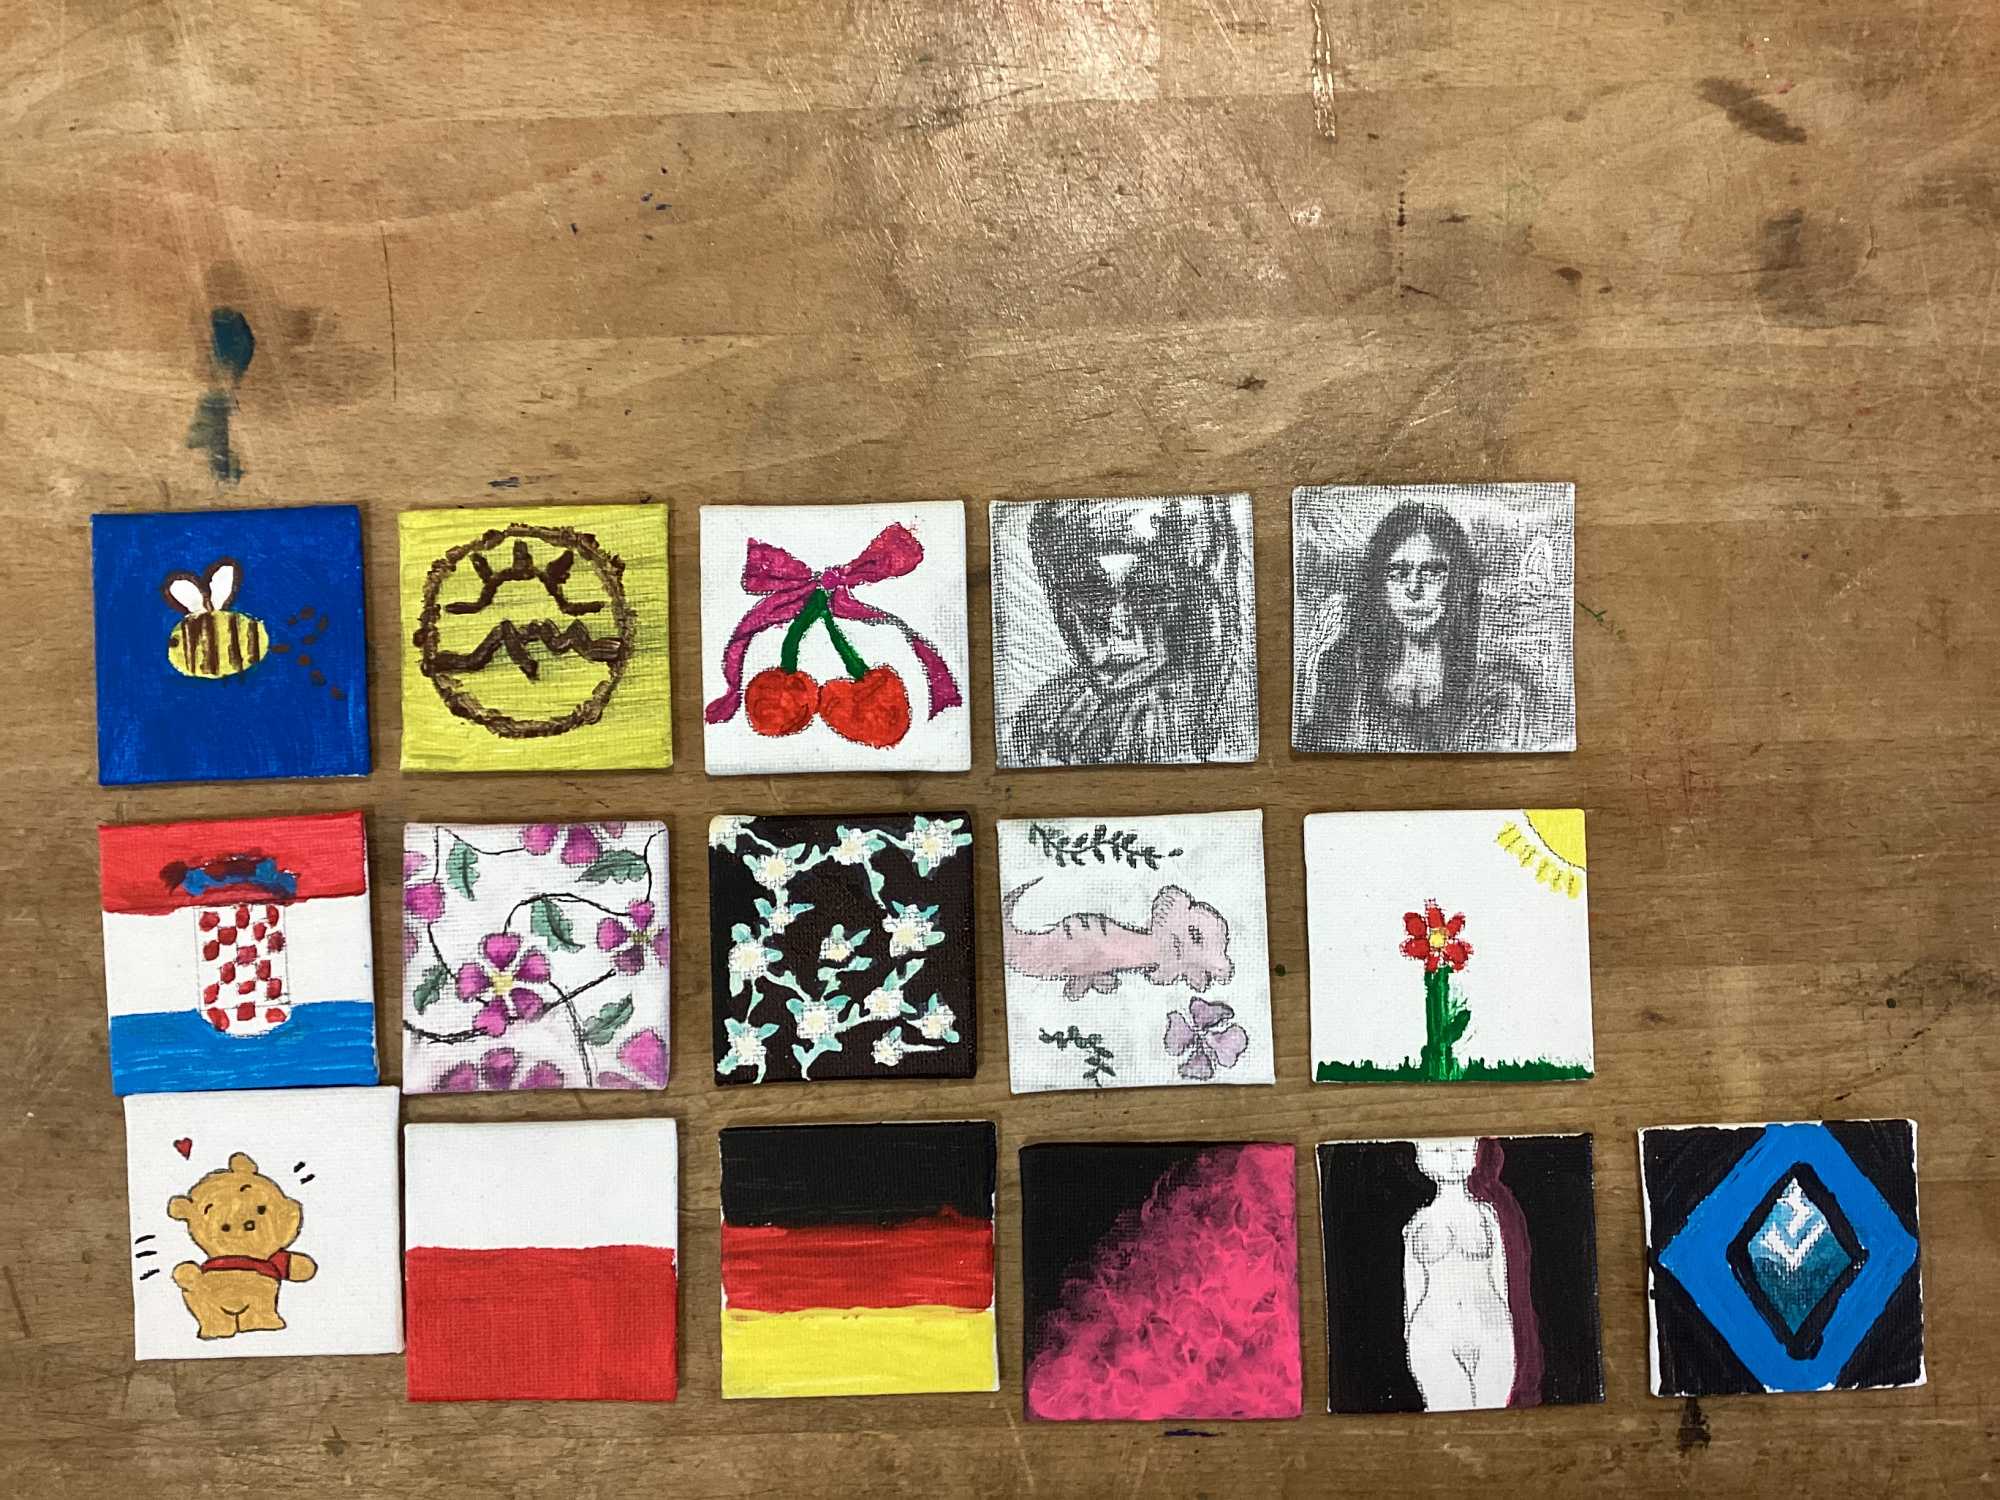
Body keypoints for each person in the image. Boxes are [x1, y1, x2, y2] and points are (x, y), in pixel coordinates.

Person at [1006, 497, 1253, 765]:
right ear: (1060, 602)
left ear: (1196, 599)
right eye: (1091, 592)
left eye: (1149, 593)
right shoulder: (1042, 720)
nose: (1119, 624)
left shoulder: (1235, 720)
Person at [1297, 500, 1536, 751]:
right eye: (1398, 573)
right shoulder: (1344, 669)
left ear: (1457, 581)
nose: (1413, 589)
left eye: (1432, 572)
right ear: (1379, 584)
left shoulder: (1495, 686)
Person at [1402, 1138, 1517, 1410]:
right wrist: (1411, 1335)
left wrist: (1504, 1323)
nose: (1452, 1160)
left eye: (1461, 1150)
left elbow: (1500, 1278)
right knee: (1446, 1409)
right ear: (1421, 1159)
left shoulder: (1487, 1217)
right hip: (1434, 1332)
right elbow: (1413, 1287)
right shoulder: (1417, 1224)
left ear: (1474, 1154)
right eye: (1438, 1151)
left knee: (1494, 1407)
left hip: (1490, 1328)